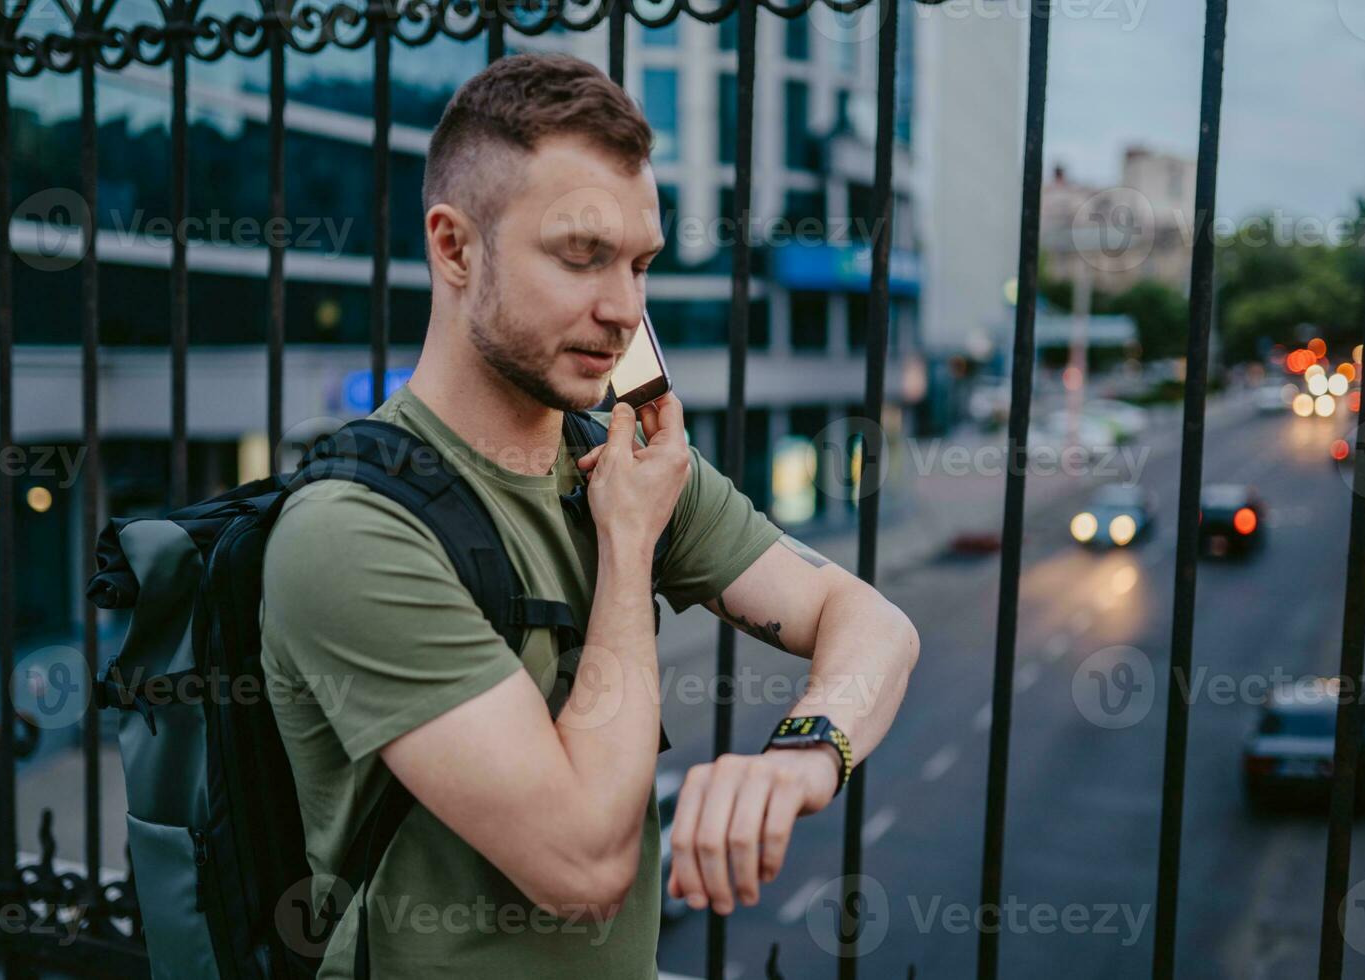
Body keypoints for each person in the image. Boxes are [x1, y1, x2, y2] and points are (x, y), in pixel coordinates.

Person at [259, 51, 920, 978]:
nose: (623, 310)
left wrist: (804, 756)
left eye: (641, 264)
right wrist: (625, 543)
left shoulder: (616, 462)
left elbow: (875, 625)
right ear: (454, 247)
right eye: (581, 256)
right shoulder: (352, 532)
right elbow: (585, 867)